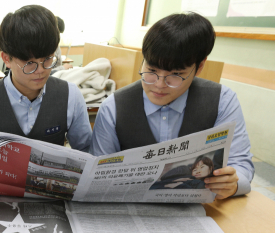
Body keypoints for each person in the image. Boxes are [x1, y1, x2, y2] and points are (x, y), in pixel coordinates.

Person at [91, 13, 254, 200]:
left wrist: (231, 183)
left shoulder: (222, 101)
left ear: (199, 67)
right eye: (151, 71)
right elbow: (99, 172)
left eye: (176, 74)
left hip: (202, 211)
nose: (159, 84)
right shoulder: (114, 106)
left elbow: (241, 163)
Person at [0, 5, 92, 180]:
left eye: (47, 59)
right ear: (7, 59)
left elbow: (86, 152)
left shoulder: (70, 95)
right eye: (30, 63)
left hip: (52, 194)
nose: (41, 70)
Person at [150, 155, 215, 190]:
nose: (197, 171)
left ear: (210, 168)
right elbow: (164, 177)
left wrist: (179, 185)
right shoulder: (188, 175)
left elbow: (193, 192)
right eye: (195, 170)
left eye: (202, 167)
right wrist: (186, 168)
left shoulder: (201, 183)